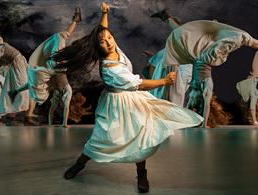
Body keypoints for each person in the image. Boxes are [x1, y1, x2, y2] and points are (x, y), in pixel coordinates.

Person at [53, 3, 203, 193]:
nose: (108, 42)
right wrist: (164, 81)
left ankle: (141, 173)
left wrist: (104, 13)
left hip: (131, 100)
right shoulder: (109, 69)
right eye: (102, 41)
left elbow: (103, 30)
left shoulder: (113, 48)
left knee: (140, 136)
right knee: (103, 138)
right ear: (97, 47)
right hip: (115, 104)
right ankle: (80, 163)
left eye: (109, 38)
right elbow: (138, 84)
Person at [162, 18, 258, 127]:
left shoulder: (195, 91)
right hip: (205, 64)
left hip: (202, 62)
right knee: (244, 39)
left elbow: (203, 105)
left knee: (243, 39)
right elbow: (205, 105)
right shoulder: (199, 88)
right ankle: (192, 122)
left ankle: (190, 122)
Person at [9, 7, 81, 128]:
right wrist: (65, 124)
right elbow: (66, 107)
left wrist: (50, 124)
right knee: (62, 37)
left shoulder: (56, 94)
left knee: (35, 83)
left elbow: (53, 108)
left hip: (51, 69)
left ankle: (16, 92)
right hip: (55, 66)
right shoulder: (67, 92)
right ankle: (76, 20)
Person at [148, 9, 193, 107]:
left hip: (182, 75)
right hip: (175, 78)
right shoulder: (168, 51)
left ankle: (166, 17)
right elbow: (152, 67)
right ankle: (166, 17)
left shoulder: (182, 48)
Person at [236, 50, 258, 125]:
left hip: (252, 80)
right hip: (251, 80)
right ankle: (254, 120)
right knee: (254, 97)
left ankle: (254, 120)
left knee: (256, 97)